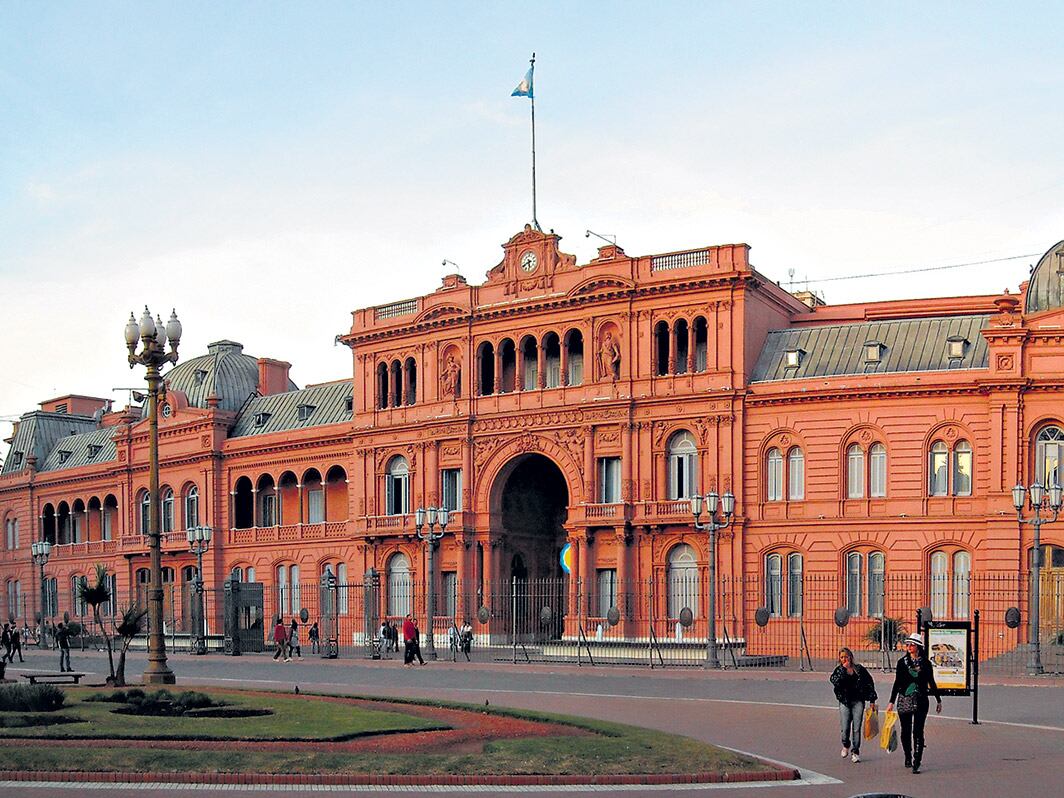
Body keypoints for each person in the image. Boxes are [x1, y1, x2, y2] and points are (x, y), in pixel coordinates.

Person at [887, 632, 942, 774]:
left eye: (912, 645)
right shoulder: (902, 663)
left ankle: (917, 760)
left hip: (921, 699)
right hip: (904, 698)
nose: (909, 647)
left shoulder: (926, 663)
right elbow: (898, 682)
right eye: (908, 645)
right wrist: (891, 701)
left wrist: (938, 699)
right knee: (905, 730)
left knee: (918, 730)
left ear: (918, 647)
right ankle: (908, 756)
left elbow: (931, 681)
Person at [829, 647, 878, 763]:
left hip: (858, 701)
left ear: (850, 657)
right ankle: (846, 744)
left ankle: (855, 751)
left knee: (856, 728)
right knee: (845, 728)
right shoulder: (839, 670)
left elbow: (869, 682)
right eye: (842, 657)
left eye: (846, 657)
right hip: (845, 701)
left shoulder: (859, 669)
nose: (844, 659)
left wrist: (872, 700)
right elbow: (834, 681)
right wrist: (843, 670)